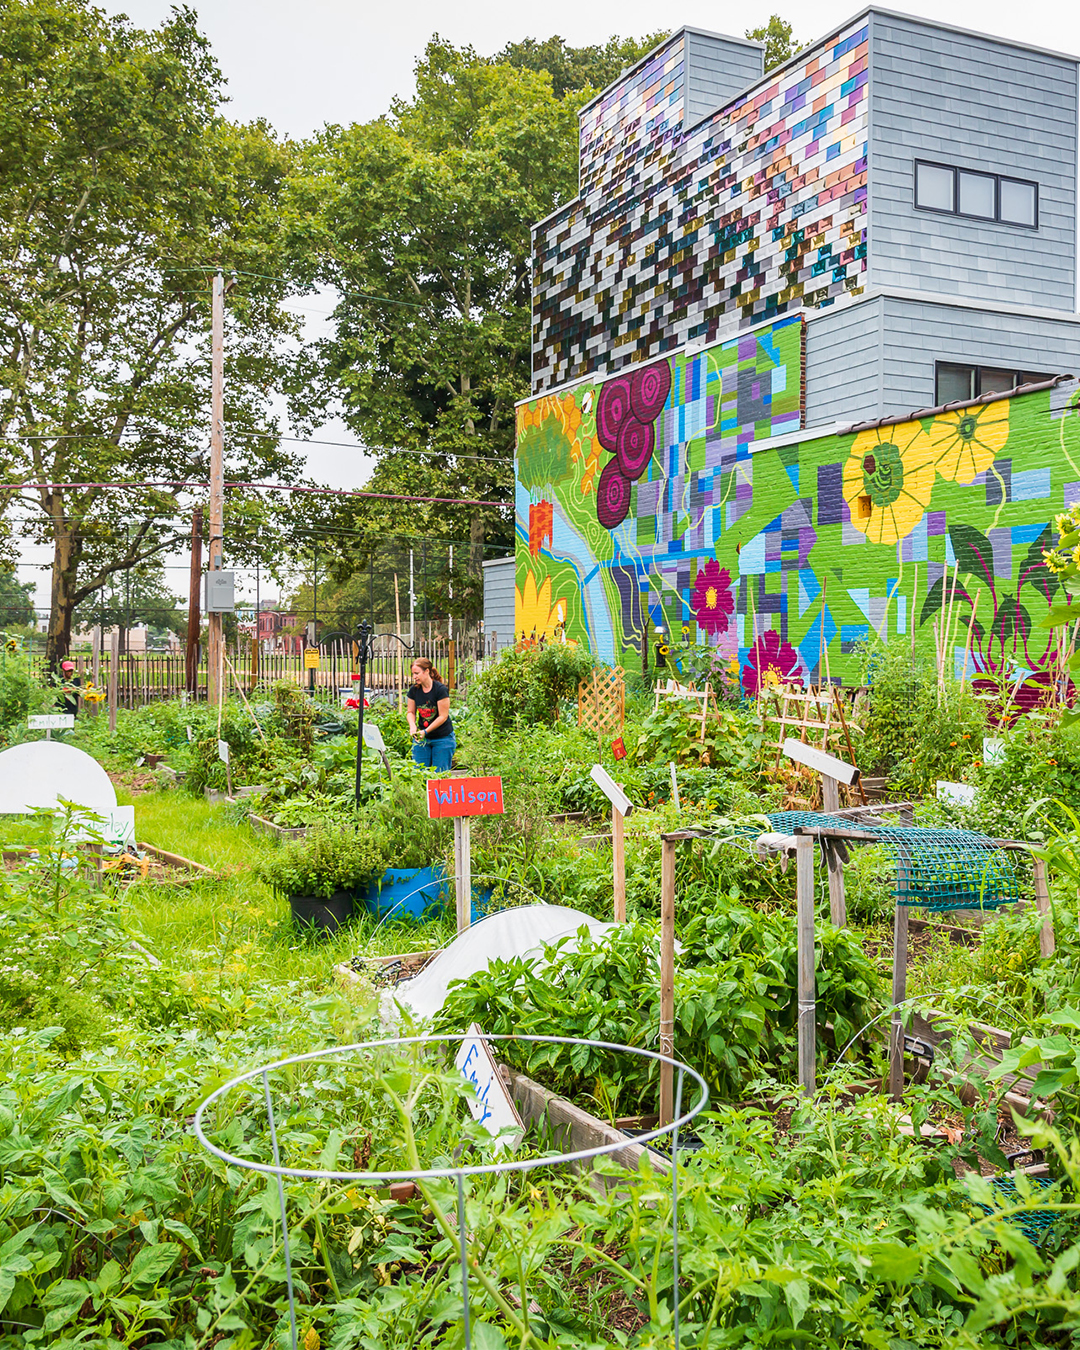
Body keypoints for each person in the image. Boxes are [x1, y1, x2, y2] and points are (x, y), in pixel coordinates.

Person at [406, 658, 455, 770]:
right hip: (422, 738)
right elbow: (411, 712)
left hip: (442, 738)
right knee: (419, 773)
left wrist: (426, 731)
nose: (414, 677)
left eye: (417, 673)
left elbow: (443, 716)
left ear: (427, 671)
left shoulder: (440, 690)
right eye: (413, 674)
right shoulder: (414, 690)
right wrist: (412, 726)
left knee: (440, 776)